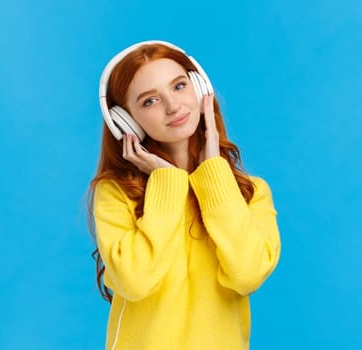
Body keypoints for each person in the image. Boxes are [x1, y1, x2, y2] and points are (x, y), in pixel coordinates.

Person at [87, 40, 281, 349]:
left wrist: (214, 174)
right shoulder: (116, 194)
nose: (173, 106)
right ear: (126, 122)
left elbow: (247, 274)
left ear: (200, 87)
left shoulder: (251, 192)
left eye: (179, 86)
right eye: (149, 101)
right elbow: (135, 281)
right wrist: (167, 183)